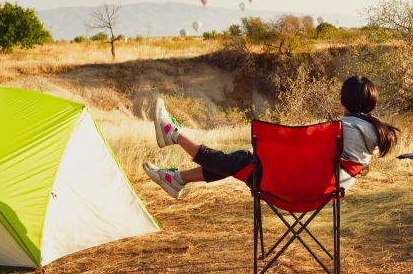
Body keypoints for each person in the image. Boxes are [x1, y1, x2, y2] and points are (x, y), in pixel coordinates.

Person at [143, 75, 399, 198]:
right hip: (323, 193)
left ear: (344, 100)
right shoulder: (373, 134)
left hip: (290, 189)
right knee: (242, 162)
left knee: (243, 160)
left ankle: (173, 135)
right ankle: (177, 178)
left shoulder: (341, 129)